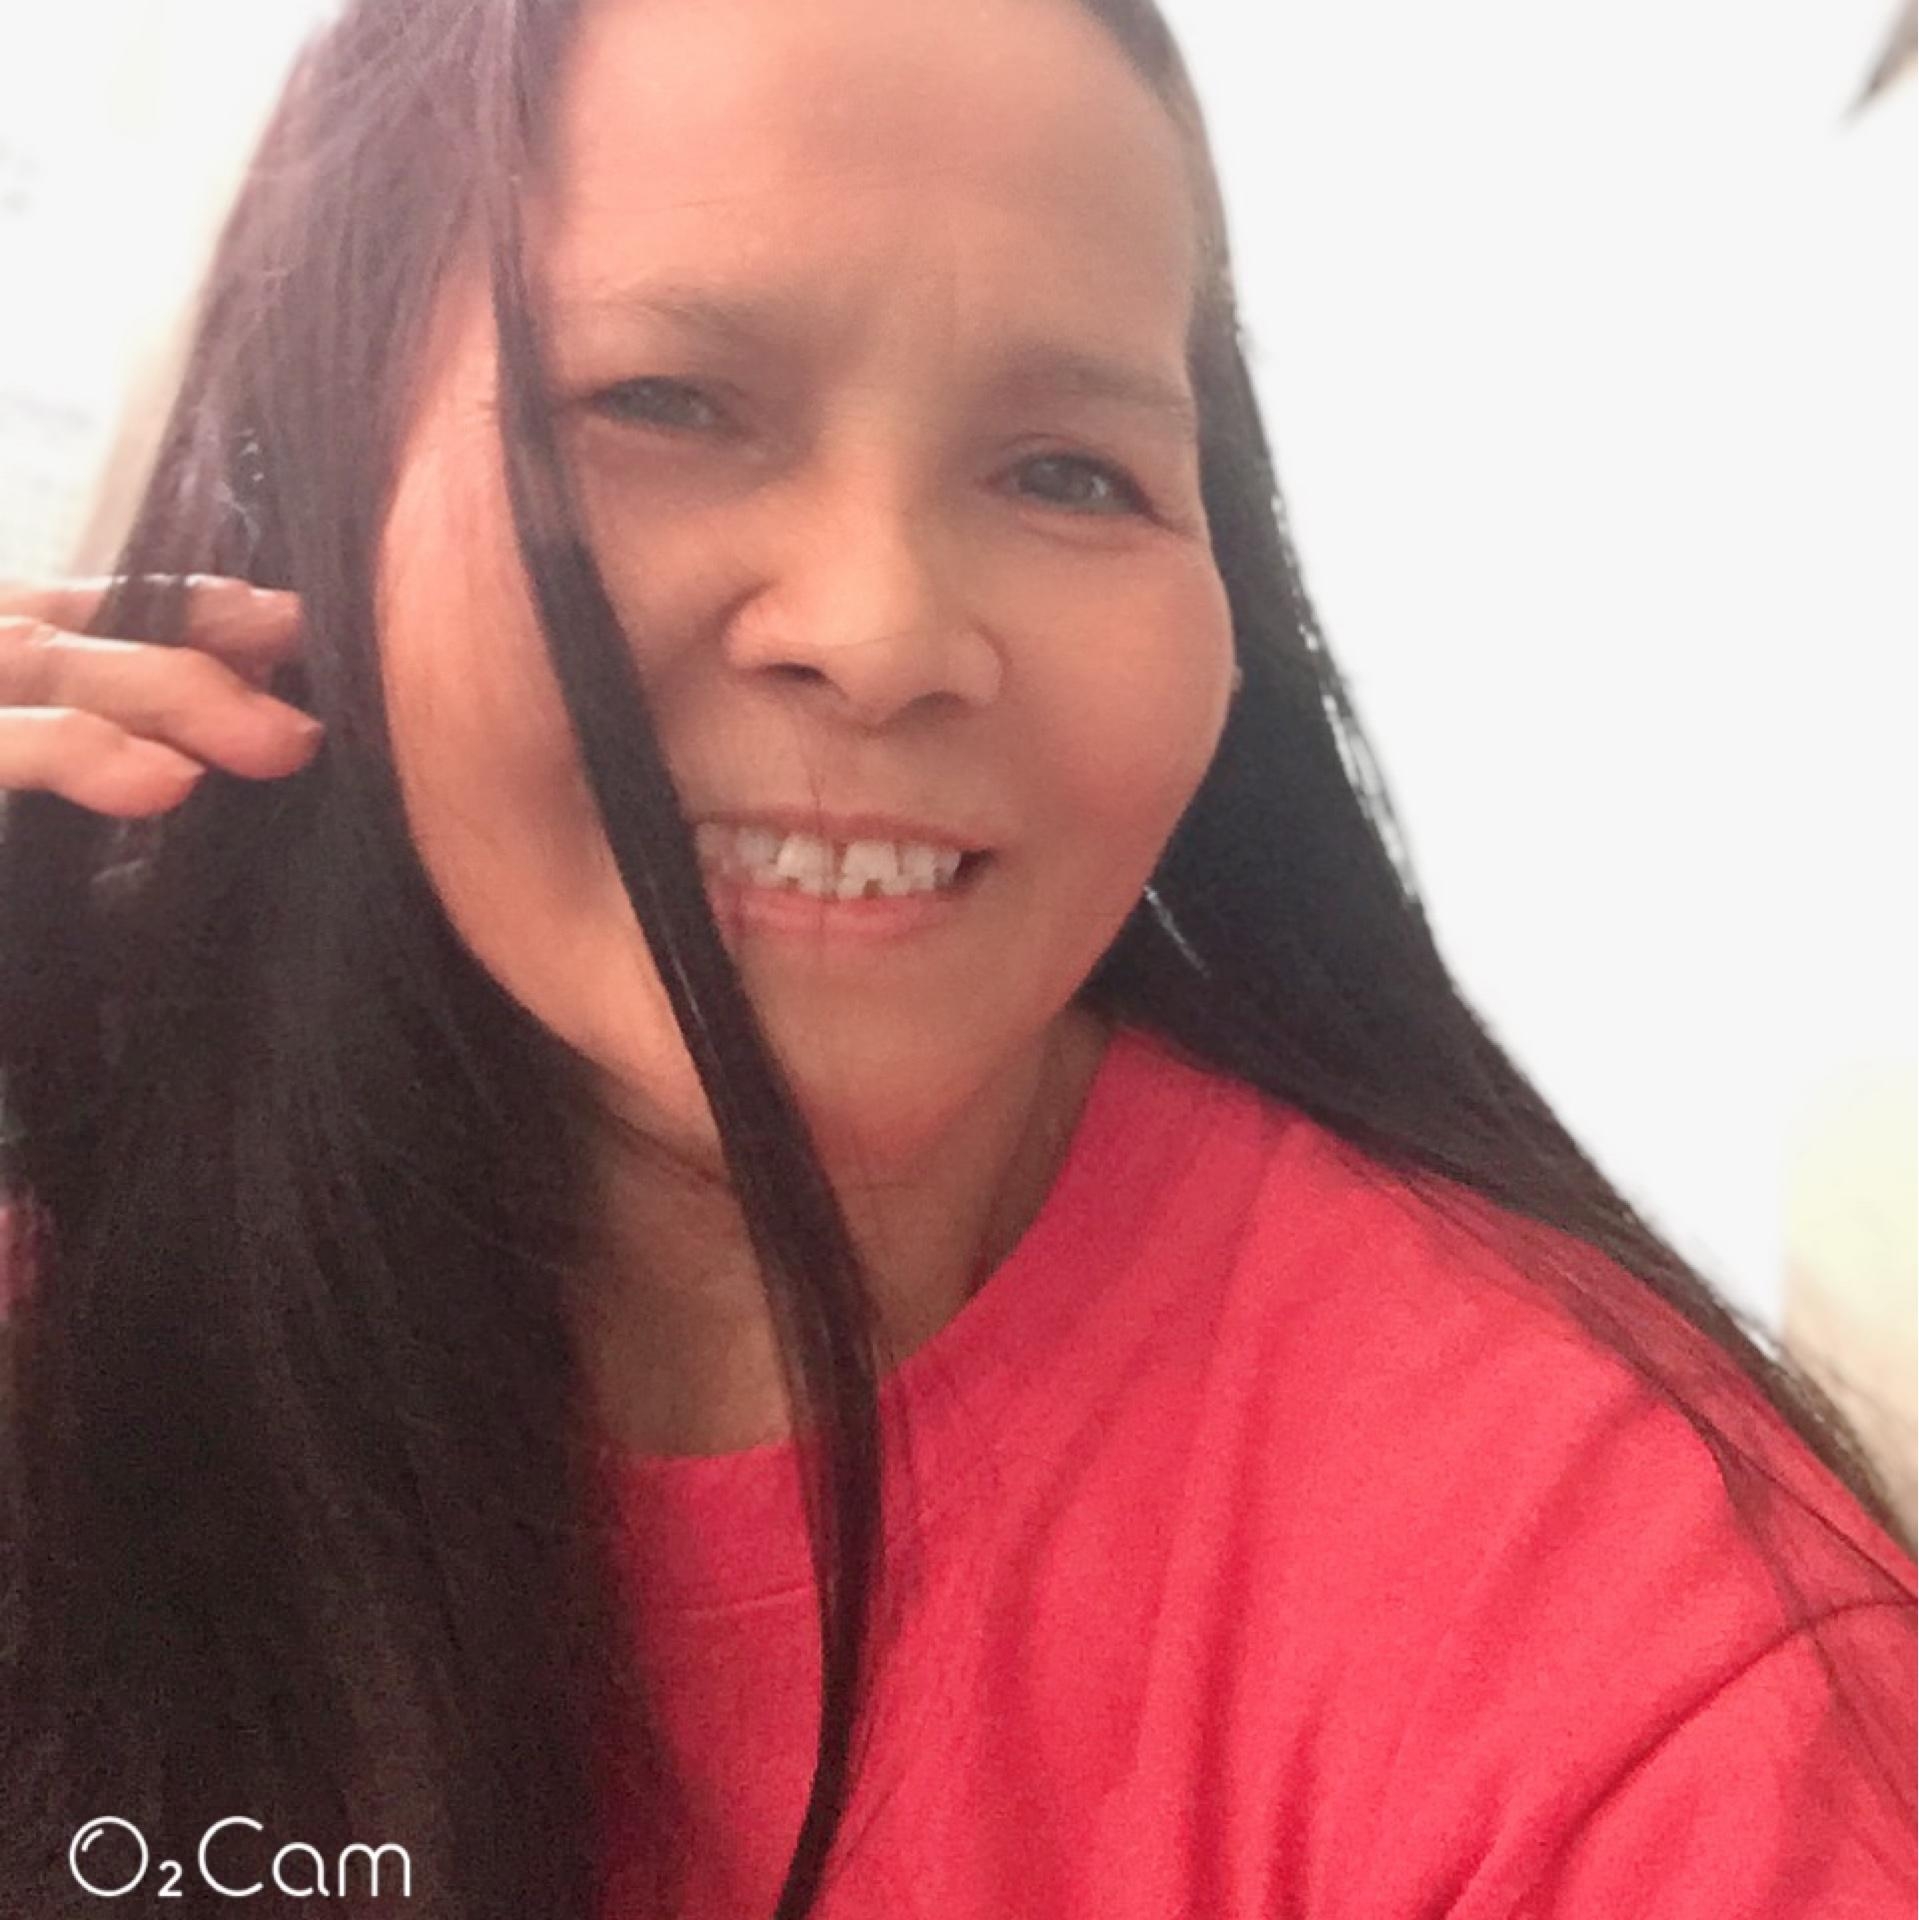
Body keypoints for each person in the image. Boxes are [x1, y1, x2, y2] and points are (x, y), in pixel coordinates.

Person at [0, 0, 1910, 1914]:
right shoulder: (66, 1282)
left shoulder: (1663, 1687)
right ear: (308, 491)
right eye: (666, 402)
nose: (884, 627)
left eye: (1070, 472)